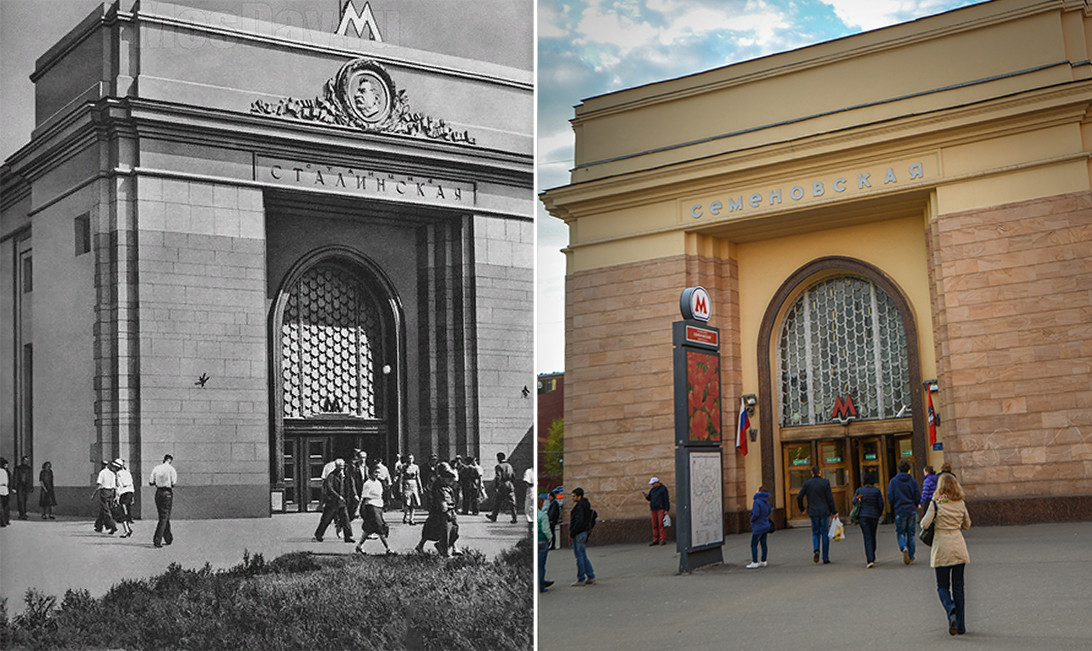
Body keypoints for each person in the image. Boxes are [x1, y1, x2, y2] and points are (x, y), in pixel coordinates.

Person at [920, 473, 971, 636]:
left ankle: (951, 610)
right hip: (958, 546)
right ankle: (961, 626)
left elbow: (924, 523)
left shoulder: (936, 503)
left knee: (942, 586)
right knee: (959, 587)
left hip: (942, 547)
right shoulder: (960, 503)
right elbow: (967, 525)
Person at [414, 462, 460, 556]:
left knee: (450, 529)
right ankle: (445, 550)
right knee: (444, 530)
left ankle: (449, 547)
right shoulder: (439, 484)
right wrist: (446, 510)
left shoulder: (445, 482)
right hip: (439, 511)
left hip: (446, 510)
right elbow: (441, 500)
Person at [797, 466, 837, 564]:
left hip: (813, 511)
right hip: (824, 511)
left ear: (811, 473)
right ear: (820, 472)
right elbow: (829, 498)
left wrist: (802, 508)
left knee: (815, 532)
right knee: (824, 533)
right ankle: (826, 557)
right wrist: (834, 511)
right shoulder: (825, 483)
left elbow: (799, 497)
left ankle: (816, 549)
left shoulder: (807, 484)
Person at [887, 458, 922, 565]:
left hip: (900, 509)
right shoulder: (912, 481)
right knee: (911, 534)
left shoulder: (893, 481)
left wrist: (894, 506)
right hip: (911, 509)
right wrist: (916, 504)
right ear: (908, 469)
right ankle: (911, 556)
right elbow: (917, 495)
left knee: (901, 532)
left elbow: (890, 495)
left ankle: (903, 547)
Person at [313, 458, 354, 543]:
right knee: (326, 519)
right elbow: (330, 488)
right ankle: (318, 535)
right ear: (336, 466)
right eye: (340, 467)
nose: (341, 469)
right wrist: (338, 496)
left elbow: (349, 486)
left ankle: (348, 537)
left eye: (343, 467)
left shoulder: (345, 475)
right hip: (332, 502)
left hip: (342, 502)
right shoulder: (331, 476)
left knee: (345, 519)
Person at [355, 466, 393, 555]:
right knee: (380, 528)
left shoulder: (379, 483)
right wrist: (358, 510)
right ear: (371, 473)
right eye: (375, 472)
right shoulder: (367, 484)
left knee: (368, 529)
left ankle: (359, 546)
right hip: (371, 507)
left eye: (378, 473)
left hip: (379, 507)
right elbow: (363, 498)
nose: (377, 474)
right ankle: (388, 549)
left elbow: (381, 495)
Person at [851, 471, 885, 568]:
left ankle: (869, 559)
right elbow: (881, 504)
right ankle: (873, 556)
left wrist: (859, 498)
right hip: (874, 516)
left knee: (867, 537)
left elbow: (854, 502)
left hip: (863, 517)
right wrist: (878, 514)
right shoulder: (877, 491)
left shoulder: (860, 491)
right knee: (873, 535)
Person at [149, 454, 178, 547]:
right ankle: (157, 539)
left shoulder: (156, 468)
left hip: (158, 493)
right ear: (170, 460)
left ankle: (168, 537)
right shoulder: (171, 469)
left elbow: (151, 482)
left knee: (163, 516)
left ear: (164, 459)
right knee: (164, 517)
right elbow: (173, 483)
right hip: (167, 493)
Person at [568, 487, 596, 586]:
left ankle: (581, 578)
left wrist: (572, 533)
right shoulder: (585, 505)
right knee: (583, 555)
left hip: (578, 533)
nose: (572, 498)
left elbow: (578, 522)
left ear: (579, 496)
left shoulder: (579, 507)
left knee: (579, 556)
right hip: (583, 532)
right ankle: (591, 575)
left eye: (574, 496)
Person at [486, 452, 517, 523]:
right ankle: (514, 517)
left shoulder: (498, 466)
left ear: (499, 458)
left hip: (503, 485)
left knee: (498, 501)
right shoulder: (509, 466)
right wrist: (511, 483)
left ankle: (494, 516)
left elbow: (498, 477)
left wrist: (497, 486)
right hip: (510, 484)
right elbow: (513, 475)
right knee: (512, 502)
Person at [747, 486, 773, 569]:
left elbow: (756, 513)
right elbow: (769, 511)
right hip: (765, 524)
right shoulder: (766, 501)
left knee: (754, 544)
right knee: (763, 543)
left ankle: (755, 561)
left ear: (759, 491)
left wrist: (752, 519)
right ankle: (763, 560)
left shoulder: (757, 501)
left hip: (758, 526)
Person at [94, 459, 119, 535]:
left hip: (104, 491)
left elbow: (99, 484)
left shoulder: (102, 473)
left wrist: (94, 494)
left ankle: (112, 526)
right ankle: (98, 526)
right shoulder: (112, 473)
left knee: (105, 509)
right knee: (104, 509)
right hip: (110, 492)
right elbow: (114, 486)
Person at [644, 477, 671, 546]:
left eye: (653, 484)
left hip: (661, 508)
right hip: (653, 509)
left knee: (661, 524)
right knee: (654, 524)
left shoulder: (663, 489)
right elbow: (650, 498)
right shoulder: (652, 490)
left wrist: (667, 509)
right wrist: (647, 496)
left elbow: (666, 499)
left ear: (657, 482)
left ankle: (663, 539)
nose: (652, 485)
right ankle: (655, 540)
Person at [115, 458, 136, 538]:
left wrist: (117, 497)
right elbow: (132, 484)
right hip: (130, 493)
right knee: (126, 512)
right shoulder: (128, 473)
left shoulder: (118, 474)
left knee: (122, 513)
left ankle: (127, 530)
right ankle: (127, 529)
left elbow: (119, 485)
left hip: (123, 494)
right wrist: (133, 496)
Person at [537, 497, 555, 592]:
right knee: (541, 566)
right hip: (542, 541)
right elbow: (545, 530)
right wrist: (550, 538)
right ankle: (541, 586)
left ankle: (540, 582)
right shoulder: (542, 515)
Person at [400, 453, 422, 525]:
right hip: (406, 485)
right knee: (407, 503)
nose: (410, 460)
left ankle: (411, 518)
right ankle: (405, 516)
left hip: (414, 485)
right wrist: (400, 488)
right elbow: (401, 477)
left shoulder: (416, 467)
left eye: (411, 458)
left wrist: (420, 487)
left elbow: (418, 477)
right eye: (409, 458)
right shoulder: (403, 467)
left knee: (413, 503)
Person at [0, 458, 11, 527]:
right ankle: (6, 520)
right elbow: (7, 481)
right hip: (5, 490)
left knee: (0, 507)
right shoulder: (4, 471)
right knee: (5, 506)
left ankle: (2, 522)